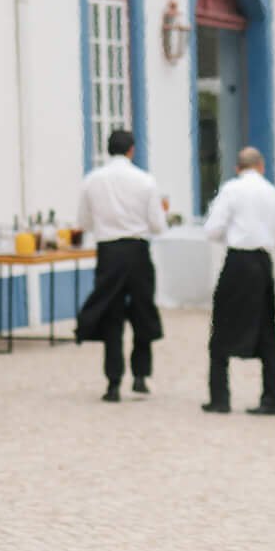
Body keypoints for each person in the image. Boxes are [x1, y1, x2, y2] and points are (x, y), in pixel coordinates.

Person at [72, 127, 167, 402]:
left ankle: (113, 382)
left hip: (109, 252)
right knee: (142, 311)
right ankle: (140, 375)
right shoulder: (146, 181)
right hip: (137, 250)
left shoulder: (92, 181)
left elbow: (85, 222)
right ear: (131, 150)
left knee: (111, 315)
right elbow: (157, 225)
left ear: (107, 148)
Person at [201, 145, 275, 415]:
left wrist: (232, 235)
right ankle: (273, 397)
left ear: (238, 168)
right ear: (261, 167)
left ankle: (220, 397)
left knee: (222, 327)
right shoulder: (272, 192)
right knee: (267, 330)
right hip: (262, 262)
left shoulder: (231, 190)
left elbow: (212, 229)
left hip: (238, 261)